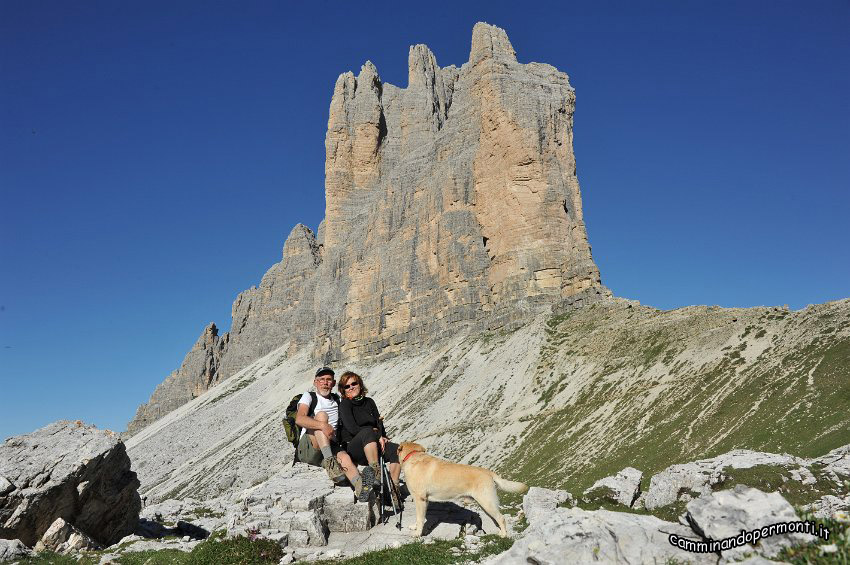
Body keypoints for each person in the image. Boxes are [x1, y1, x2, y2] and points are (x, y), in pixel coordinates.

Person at [294, 367, 368, 496]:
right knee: (322, 416)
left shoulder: (338, 400)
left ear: (333, 383)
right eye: (321, 379)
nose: (325, 382)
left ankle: (361, 487)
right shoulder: (309, 396)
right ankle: (330, 462)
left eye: (328, 380)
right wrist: (323, 425)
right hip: (309, 446)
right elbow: (299, 419)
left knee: (345, 458)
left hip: (329, 445)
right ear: (315, 382)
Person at [337, 371, 401, 494]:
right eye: (347, 386)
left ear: (360, 384)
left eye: (353, 383)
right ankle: (375, 473)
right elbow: (352, 428)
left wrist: (383, 436)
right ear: (343, 390)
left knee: (397, 450)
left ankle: (393, 488)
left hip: (373, 444)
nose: (351, 387)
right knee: (367, 431)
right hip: (355, 448)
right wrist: (377, 435)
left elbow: (378, 422)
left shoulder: (369, 402)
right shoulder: (345, 404)